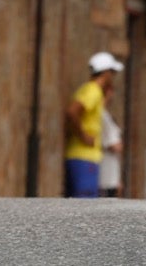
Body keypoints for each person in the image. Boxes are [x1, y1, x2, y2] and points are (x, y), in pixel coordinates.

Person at [63, 51, 122, 199]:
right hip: (85, 157)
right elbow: (72, 112)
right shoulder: (93, 90)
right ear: (105, 73)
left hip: (79, 156)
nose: (113, 77)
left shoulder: (87, 89)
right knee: (85, 210)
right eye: (112, 72)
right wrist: (83, 136)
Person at [98, 104, 123, 198]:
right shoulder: (103, 116)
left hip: (111, 178)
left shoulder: (105, 116)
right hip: (105, 178)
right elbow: (114, 146)